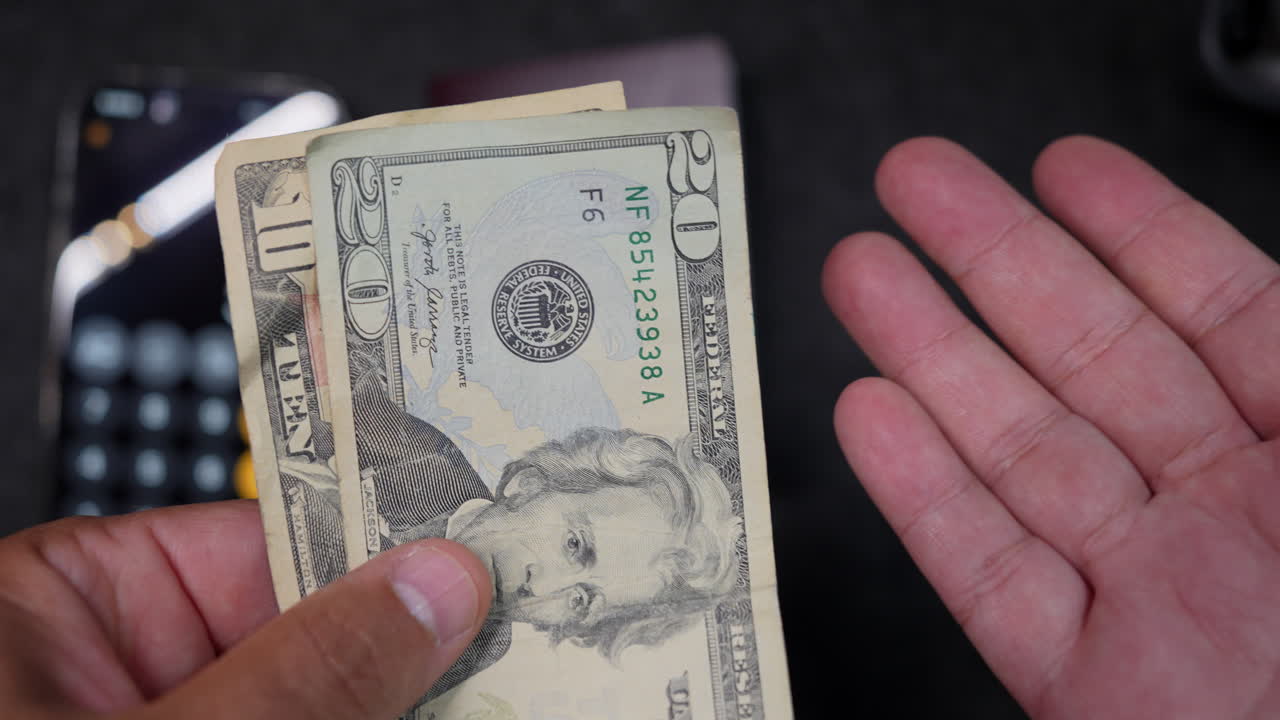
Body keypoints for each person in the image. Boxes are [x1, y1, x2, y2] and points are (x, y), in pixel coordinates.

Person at [0, 135, 1276, 718]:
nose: (548, 577)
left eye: (581, 588)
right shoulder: (405, 454)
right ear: (542, 478)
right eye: (577, 540)